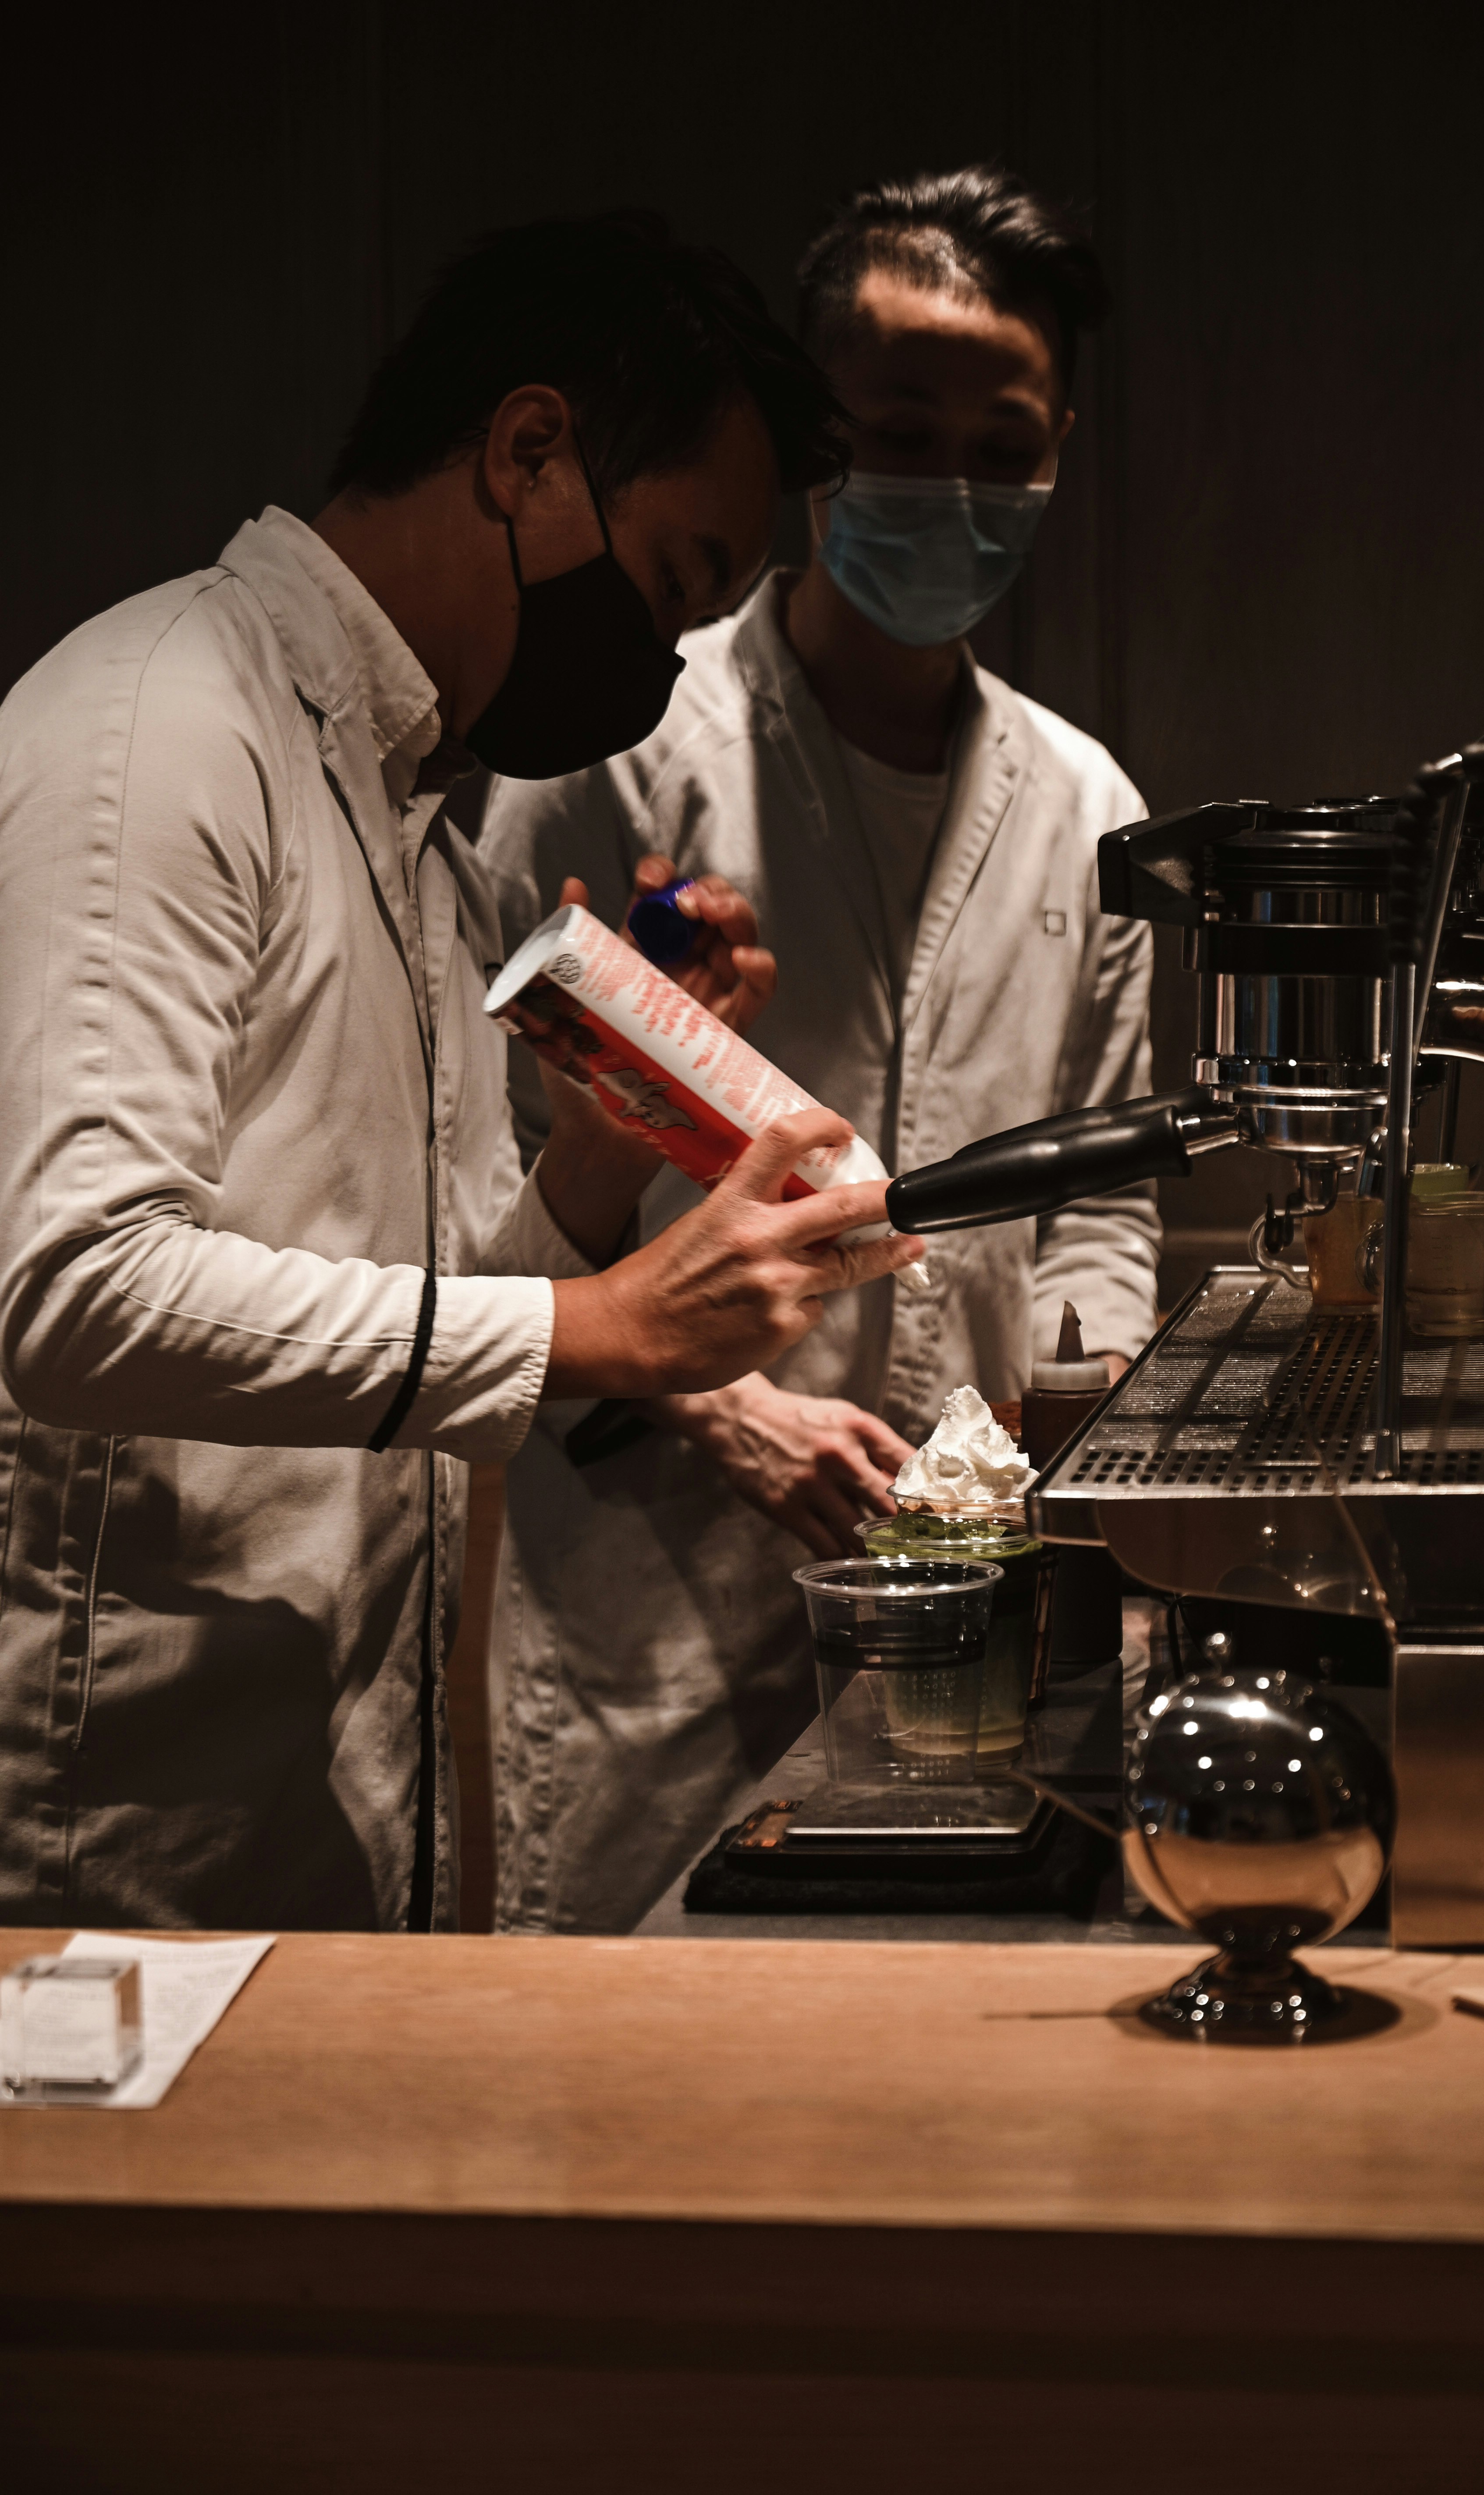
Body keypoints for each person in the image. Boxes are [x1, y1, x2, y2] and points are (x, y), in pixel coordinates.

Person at [0, 214, 922, 1933]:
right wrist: (614, 1328)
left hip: (317, 1840)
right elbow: (73, 1294)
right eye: (663, 584)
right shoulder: (161, 724)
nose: (651, 677)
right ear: (529, 453)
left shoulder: (412, 816)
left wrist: (591, 1166)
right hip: (105, 1871)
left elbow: (409, 1328)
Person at [477, 169, 1159, 1933]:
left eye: (997, 445)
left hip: (972, 1602)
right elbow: (474, 1197)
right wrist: (727, 1414)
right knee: (630, 2090)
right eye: (897, 435)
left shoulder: (1086, 812)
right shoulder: (620, 756)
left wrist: (1062, 1447)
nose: (950, 490)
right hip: (644, 1591)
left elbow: (1104, 1204)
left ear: (1059, 447)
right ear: (813, 437)